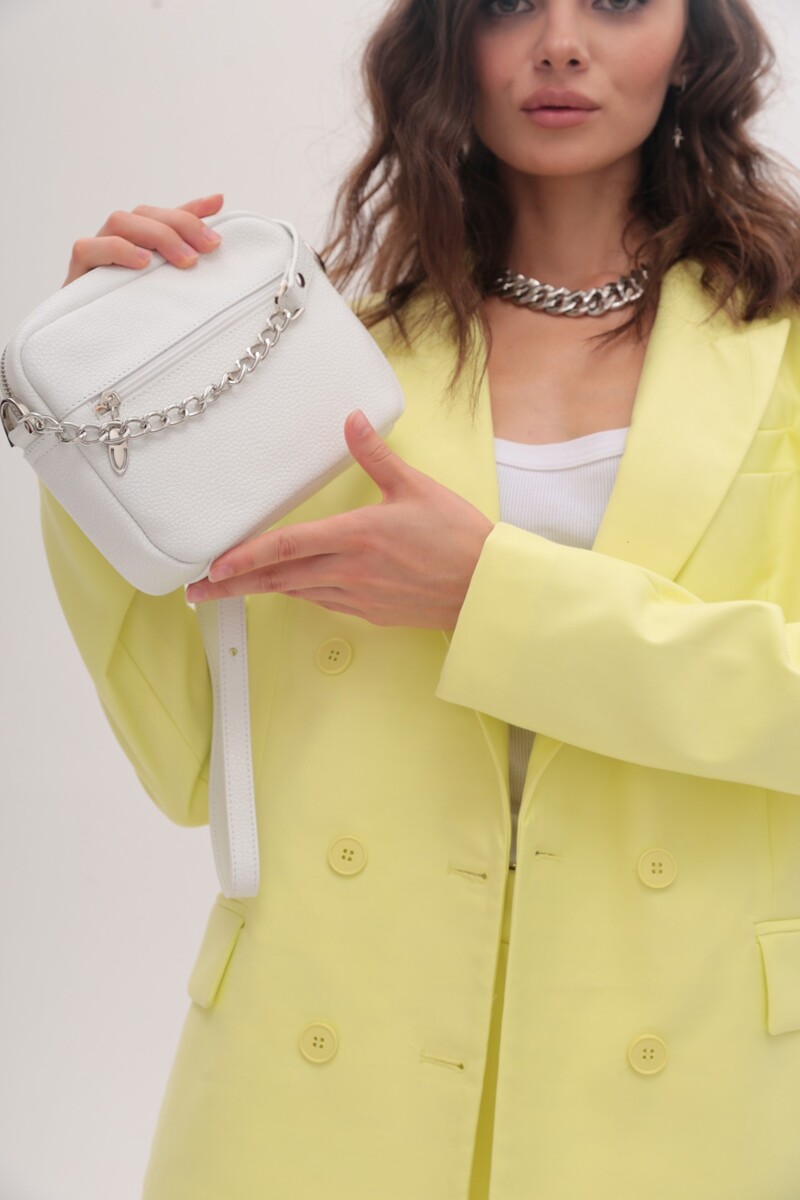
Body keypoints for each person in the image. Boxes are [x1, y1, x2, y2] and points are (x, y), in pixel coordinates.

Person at [40, 0, 800, 1196]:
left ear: (695, 41)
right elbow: (191, 760)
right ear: (446, 45)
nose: (559, 43)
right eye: (505, 6)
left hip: (680, 1058)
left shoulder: (781, 352)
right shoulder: (312, 366)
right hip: (327, 1063)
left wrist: (491, 595)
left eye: (614, 2)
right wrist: (98, 418)